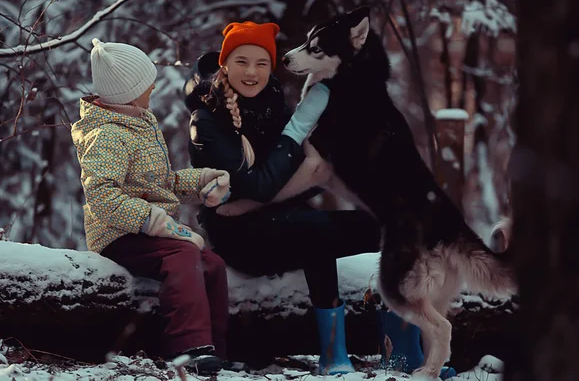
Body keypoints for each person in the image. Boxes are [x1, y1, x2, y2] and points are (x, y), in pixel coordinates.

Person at [183, 21, 383, 375]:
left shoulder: (272, 101)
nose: (252, 72)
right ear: (225, 64)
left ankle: (407, 350)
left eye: (261, 63)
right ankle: (334, 354)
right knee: (315, 230)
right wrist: (296, 134)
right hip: (238, 237)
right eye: (242, 61)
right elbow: (258, 184)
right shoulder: (206, 120)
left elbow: (310, 178)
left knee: (384, 228)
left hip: (282, 221)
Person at [72, 38, 232, 375]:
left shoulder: (139, 123)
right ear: (128, 92)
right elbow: (101, 196)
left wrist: (202, 181)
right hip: (119, 235)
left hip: (149, 232)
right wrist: (152, 221)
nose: (153, 87)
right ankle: (189, 346)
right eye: (147, 84)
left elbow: (162, 185)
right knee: (183, 255)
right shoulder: (108, 134)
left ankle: (217, 347)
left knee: (212, 264)